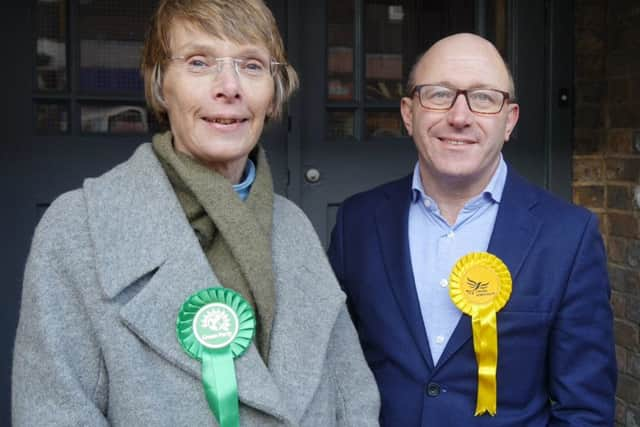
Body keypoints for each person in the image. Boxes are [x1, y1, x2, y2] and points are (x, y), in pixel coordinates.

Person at [12, 1, 380, 425]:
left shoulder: (293, 225)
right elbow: (53, 411)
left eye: (253, 65)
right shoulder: (78, 227)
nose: (229, 86)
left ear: (274, 94)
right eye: (200, 62)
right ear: (159, 83)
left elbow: (352, 398)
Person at [328, 33, 616, 426]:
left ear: (509, 120)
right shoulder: (356, 222)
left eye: (483, 98)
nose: (459, 116)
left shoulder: (569, 236)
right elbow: (333, 372)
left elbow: (584, 410)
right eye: (439, 94)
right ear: (409, 113)